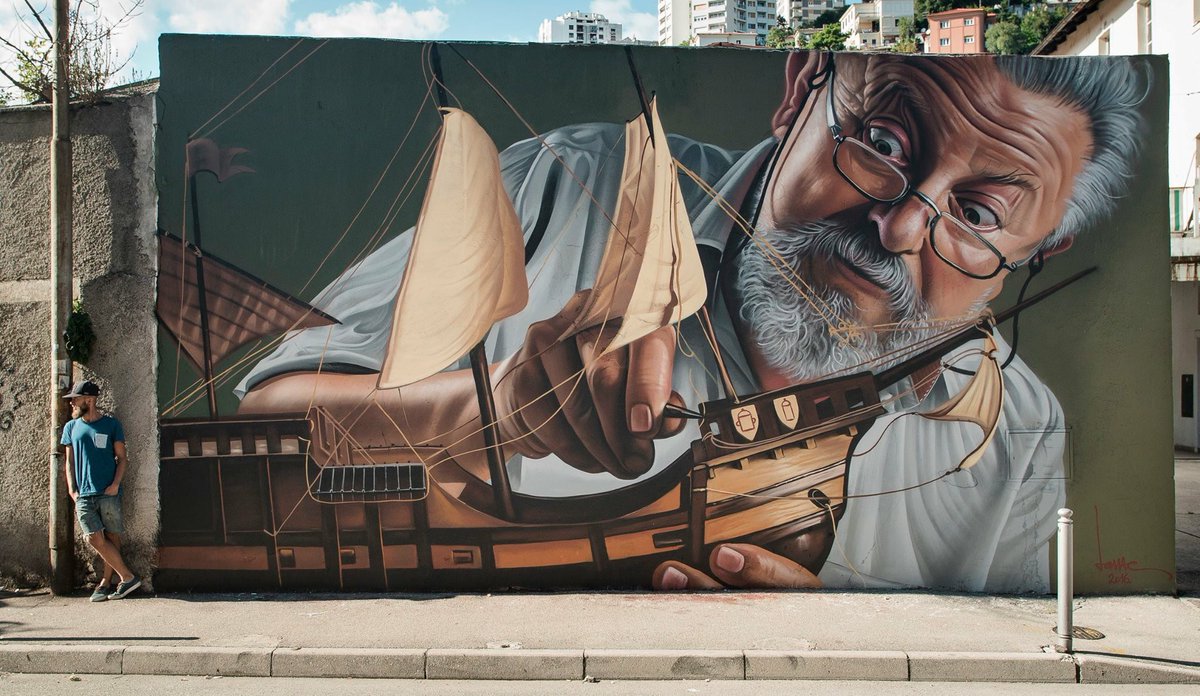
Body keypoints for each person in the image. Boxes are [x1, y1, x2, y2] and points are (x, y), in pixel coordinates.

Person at [237, 51, 1149, 592]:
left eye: (979, 215)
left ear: (1041, 250)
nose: (901, 228)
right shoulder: (563, 185)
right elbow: (258, 422)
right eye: (882, 141)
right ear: (801, 90)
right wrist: (486, 412)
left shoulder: (1020, 429)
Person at [61, 380, 141, 601]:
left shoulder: (111, 425)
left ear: (89, 400)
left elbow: (122, 458)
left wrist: (115, 484)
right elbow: (69, 463)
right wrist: (72, 490)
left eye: (75, 399)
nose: (72, 403)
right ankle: (127, 577)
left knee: (111, 536)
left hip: (108, 491)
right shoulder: (70, 427)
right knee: (93, 538)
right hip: (83, 494)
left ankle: (107, 582)